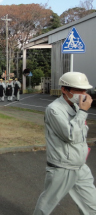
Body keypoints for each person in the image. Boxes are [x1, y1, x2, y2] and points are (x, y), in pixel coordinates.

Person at [33, 72, 96, 215]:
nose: (83, 94)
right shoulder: (54, 109)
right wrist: (83, 112)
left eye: (85, 90)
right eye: (78, 90)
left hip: (80, 166)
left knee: (92, 206)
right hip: (62, 167)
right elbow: (71, 135)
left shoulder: (75, 107)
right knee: (45, 206)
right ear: (64, 90)